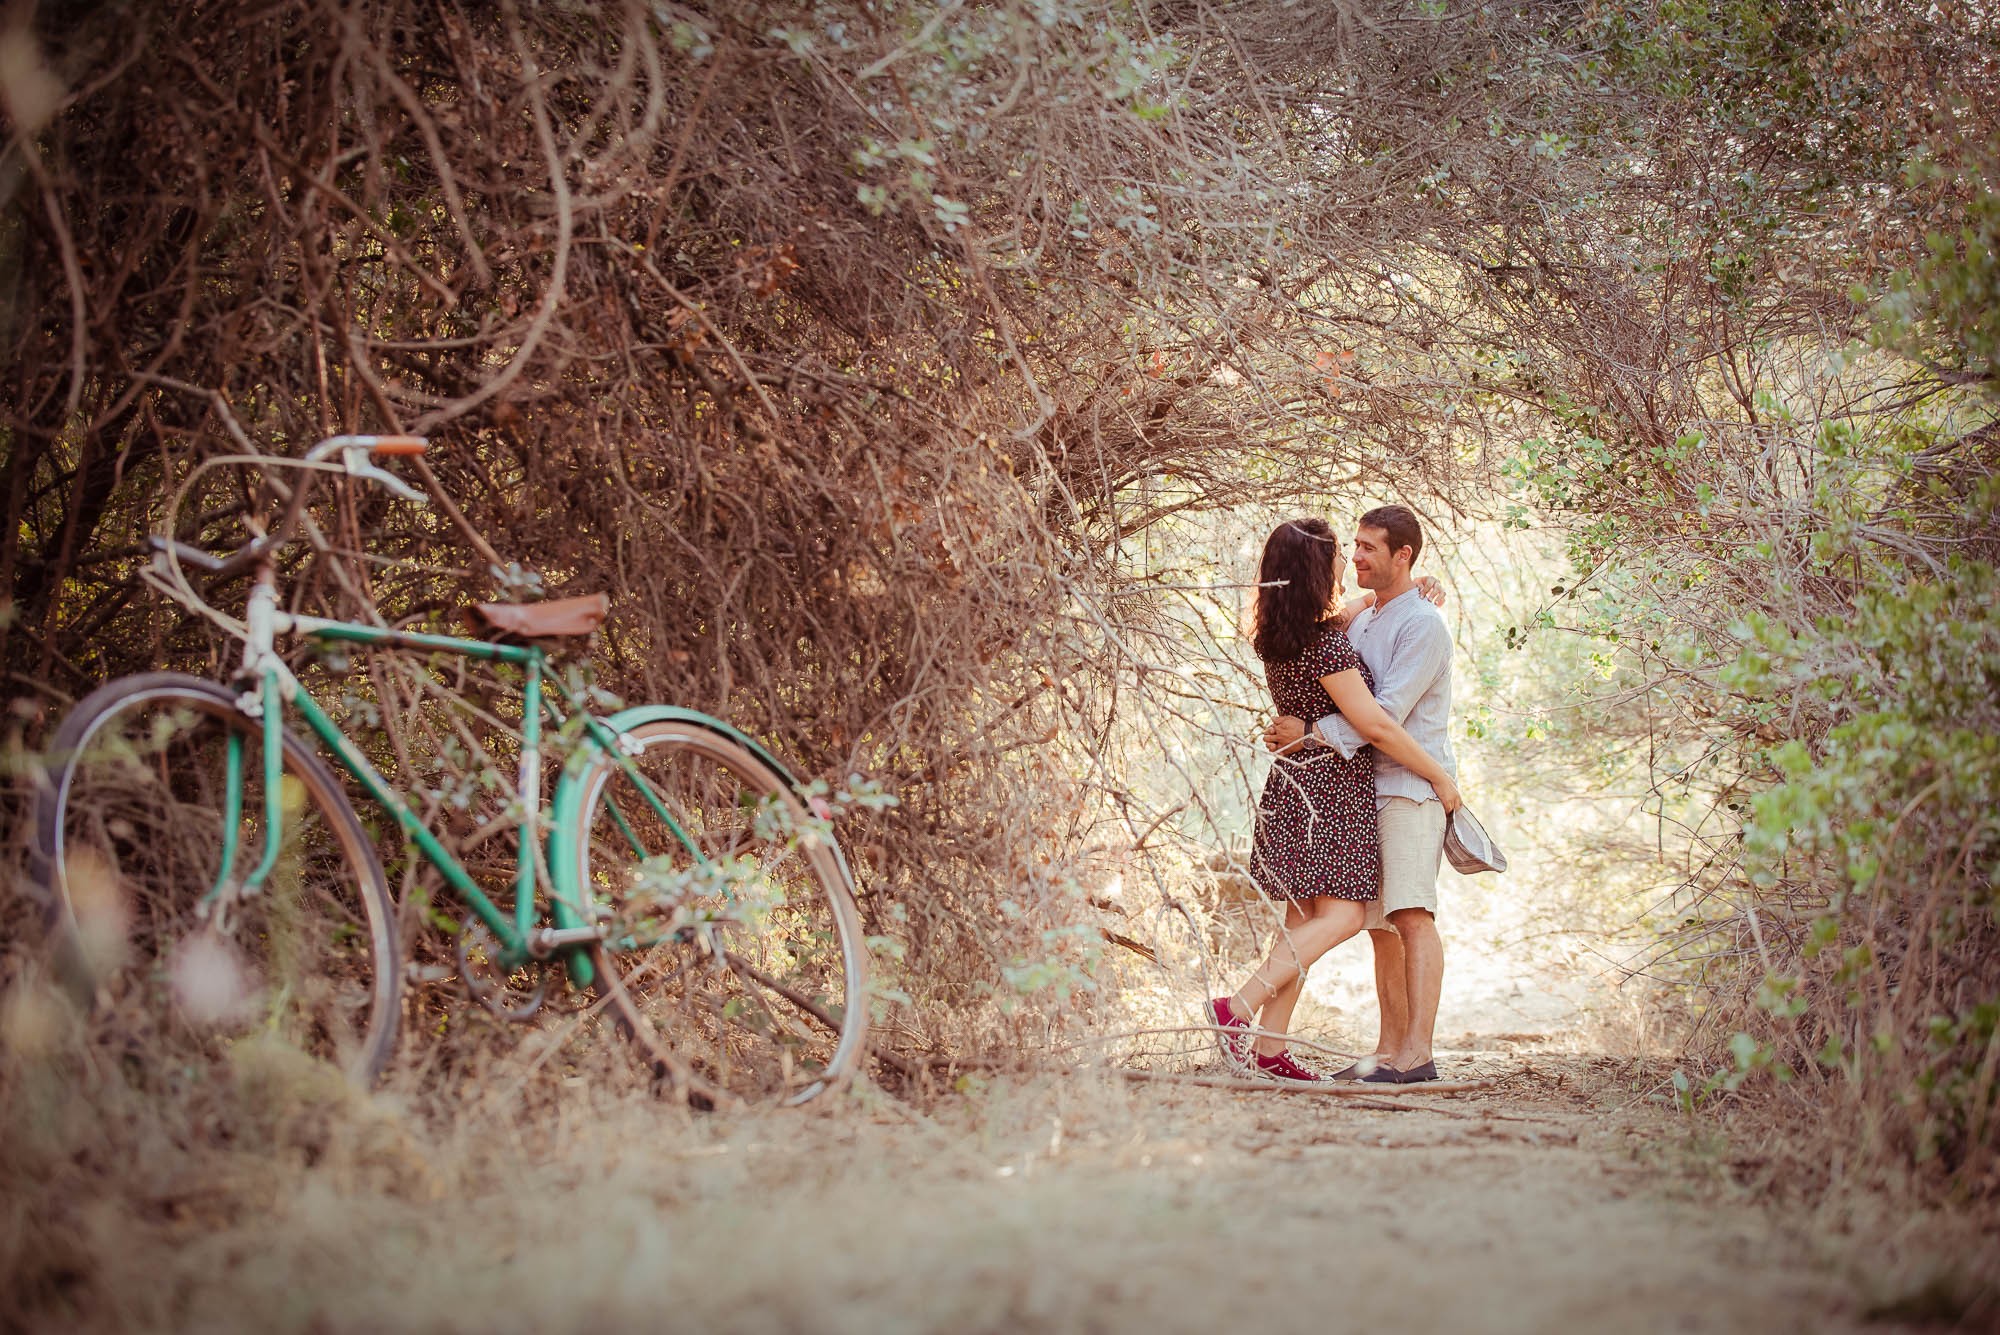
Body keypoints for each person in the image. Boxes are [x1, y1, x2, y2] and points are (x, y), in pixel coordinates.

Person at [1206, 518, 1461, 1083]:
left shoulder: (1281, 631)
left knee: (1300, 923)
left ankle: (1270, 1049)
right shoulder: (1326, 642)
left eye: (1364, 549)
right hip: (1331, 788)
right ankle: (1236, 1010)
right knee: (1342, 917)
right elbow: (1376, 721)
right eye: (1344, 553)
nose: (1350, 560)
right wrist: (1442, 779)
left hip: (1294, 784)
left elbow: (1358, 613)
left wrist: (1416, 585)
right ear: (1317, 569)